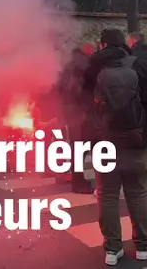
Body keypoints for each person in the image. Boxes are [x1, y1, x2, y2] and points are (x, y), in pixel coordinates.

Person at [82, 29, 147, 266]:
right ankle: (143, 246)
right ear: (124, 45)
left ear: (102, 44)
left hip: (104, 142)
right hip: (137, 141)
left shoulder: (92, 68)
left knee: (106, 195)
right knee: (137, 193)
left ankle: (112, 249)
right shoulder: (142, 65)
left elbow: (81, 106)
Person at [57, 43, 96, 194]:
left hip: (72, 111)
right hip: (81, 112)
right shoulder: (82, 67)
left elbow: (60, 89)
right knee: (82, 148)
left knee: (77, 148)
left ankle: (77, 179)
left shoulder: (68, 66)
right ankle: (79, 183)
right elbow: (80, 90)